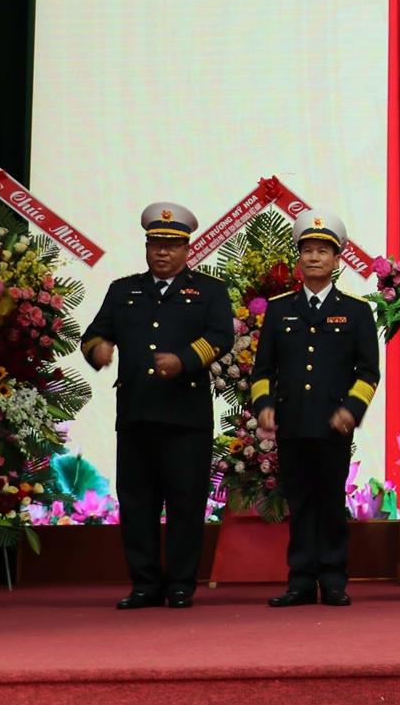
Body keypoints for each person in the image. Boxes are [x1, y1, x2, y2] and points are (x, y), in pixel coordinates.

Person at [80, 203, 233, 609]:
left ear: (187, 249)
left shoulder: (209, 291)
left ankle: (181, 583)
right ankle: (145, 584)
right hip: (137, 414)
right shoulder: (123, 290)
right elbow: (92, 335)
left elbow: (221, 336)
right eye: (155, 244)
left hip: (186, 417)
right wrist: (98, 349)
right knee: (137, 502)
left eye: (171, 245)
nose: (162, 252)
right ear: (147, 247)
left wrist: (184, 359)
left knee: (186, 502)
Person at [250, 211, 381, 607]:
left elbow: (368, 372)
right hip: (292, 423)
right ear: (299, 259)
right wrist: (264, 405)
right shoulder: (280, 309)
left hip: (333, 425)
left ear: (337, 259)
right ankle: (301, 581)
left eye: (322, 251)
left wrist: (351, 410)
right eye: (307, 251)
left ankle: (334, 579)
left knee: (330, 502)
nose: (313, 258)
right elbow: (263, 369)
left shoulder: (356, 311)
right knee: (300, 503)